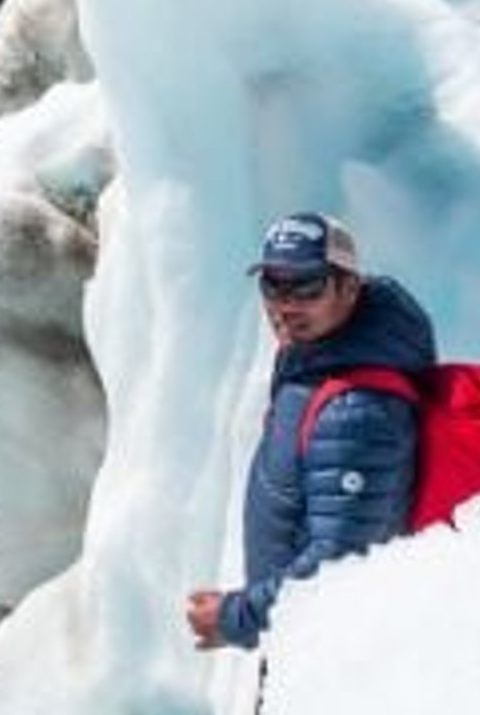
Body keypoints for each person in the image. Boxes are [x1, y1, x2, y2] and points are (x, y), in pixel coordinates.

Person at [182, 213, 436, 659]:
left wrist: (236, 616)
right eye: (273, 285)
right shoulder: (315, 365)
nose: (285, 304)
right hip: (300, 641)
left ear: (350, 287)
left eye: (307, 286)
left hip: (329, 659)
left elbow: (339, 565)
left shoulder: (357, 411)